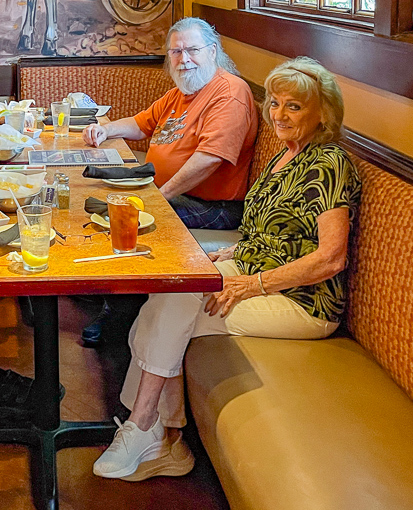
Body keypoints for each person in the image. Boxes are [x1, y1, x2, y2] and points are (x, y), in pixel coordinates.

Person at [92, 57, 362, 482]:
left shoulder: (328, 163)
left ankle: (145, 427)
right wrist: (229, 256)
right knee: (168, 292)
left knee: (172, 309)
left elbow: (331, 258)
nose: (279, 115)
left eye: (294, 106)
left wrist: (250, 283)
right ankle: (159, 439)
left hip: (303, 302)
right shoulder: (283, 160)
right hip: (257, 273)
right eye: (274, 103)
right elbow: (268, 234)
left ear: (323, 112)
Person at [79, 17, 259, 346]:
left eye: (192, 50)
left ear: (213, 51)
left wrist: (159, 197)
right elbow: (140, 123)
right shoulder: (182, 92)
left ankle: (120, 315)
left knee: (129, 214)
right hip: (169, 190)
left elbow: (209, 160)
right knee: (96, 198)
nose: (183, 59)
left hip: (214, 205)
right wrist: (106, 130)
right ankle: (103, 289)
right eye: (175, 52)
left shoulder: (229, 94)